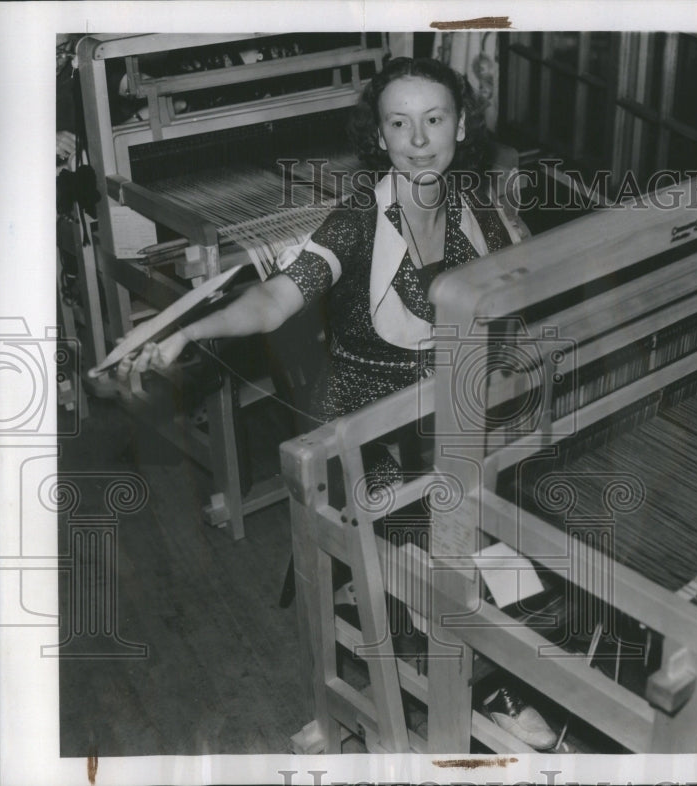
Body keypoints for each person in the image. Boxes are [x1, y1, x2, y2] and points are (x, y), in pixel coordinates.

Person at [115, 56, 558, 751]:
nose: (418, 139)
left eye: (434, 119)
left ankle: (495, 672)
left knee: (527, 537)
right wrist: (188, 330)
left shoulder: (474, 200)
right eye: (399, 123)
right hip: (366, 431)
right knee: (432, 551)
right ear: (379, 137)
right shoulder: (357, 219)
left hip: (453, 416)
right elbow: (272, 301)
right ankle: (470, 691)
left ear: (461, 125)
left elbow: (516, 287)